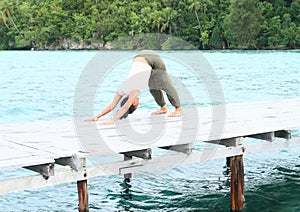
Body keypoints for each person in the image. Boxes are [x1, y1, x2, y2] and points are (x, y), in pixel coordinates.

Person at [85, 50, 182, 125]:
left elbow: (125, 106)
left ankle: (178, 109)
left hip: (152, 58)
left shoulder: (134, 90)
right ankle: (163, 108)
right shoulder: (123, 89)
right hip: (139, 57)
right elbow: (113, 105)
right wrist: (97, 116)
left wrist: (112, 120)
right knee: (152, 86)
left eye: (137, 105)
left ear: (134, 103)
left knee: (165, 83)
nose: (138, 102)